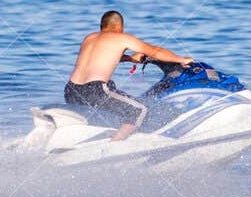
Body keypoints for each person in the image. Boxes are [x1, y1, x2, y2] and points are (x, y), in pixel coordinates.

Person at [65, 10, 192, 141]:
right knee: (139, 110)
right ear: (120, 27)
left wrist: (131, 59)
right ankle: (115, 144)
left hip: (71, 89)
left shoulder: (89, 38)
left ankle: (91, 139)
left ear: (102, 26)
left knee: (107, 101)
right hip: (95, 90)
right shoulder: (123, 37)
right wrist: (181, 59)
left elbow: (101, 58)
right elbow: (155, 51)